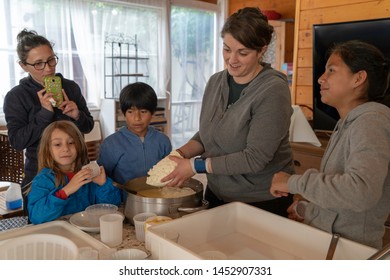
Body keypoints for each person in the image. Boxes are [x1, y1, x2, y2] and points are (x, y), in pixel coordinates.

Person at [162, 7, 294, 217]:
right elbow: (209, 134)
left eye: (243, 53)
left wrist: (196, 166)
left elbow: (255, 158)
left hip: (260, 200)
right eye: (226, 49)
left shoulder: (273, 90)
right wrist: (181, 154)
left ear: (261, 50)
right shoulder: (216, 82)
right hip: (217, 193)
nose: (232, 59)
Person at [270, 40, 390, 249]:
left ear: (359, 78)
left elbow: (360, 192)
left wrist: (293, 182)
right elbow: (344, 205)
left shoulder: (371, 121)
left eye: (331, 70)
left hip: (348, 253)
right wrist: (307, 210)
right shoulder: (349, 123)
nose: (320, 79)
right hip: (332, 245)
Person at [3, 29, 94, 206]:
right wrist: (44, 113)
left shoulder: (70, 87)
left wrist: (77, 115)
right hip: (39, 177)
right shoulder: (16, 96)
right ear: (23, 66)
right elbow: (17, 142)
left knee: (83, 224)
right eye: (39, 64)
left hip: (76, 171)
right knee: (43, 226)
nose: (49, 68)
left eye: (51, 60)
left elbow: (88, 126)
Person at [27, 120, 121, 224]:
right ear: (48, 149)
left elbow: (111, 208)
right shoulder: (43, 179)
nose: (66, 149)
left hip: (86, 234)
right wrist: (65, 191)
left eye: (71, 143)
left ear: (79, 145)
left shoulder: (88, 174)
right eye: (58, 144)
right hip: (58, 236)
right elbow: (36, 217)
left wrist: (103, 184)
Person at [97, 82, 172, 192]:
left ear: (153, 113)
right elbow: (102, 180)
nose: (137, 118)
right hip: (123, 200)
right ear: (123, 113)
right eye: (130, 112)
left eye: (143, 111)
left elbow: (168, 172)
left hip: (157, 197)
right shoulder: (111, 144)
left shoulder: (163, 141)